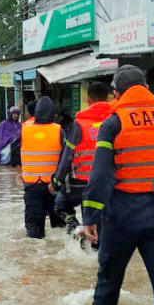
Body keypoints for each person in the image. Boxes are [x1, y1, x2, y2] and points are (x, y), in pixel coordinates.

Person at [83, 65, 154, 305]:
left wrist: (90, 217)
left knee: (108, 281)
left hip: (122, 216)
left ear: (116, 94)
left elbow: (101, 176)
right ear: (148, 89)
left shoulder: (113, 123)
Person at [50, 82, 113, 235]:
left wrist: (56, 182)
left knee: (60, 205)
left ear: (88, 100)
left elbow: (67, 156)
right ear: (108, 98)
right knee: (98, 222)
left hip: (80, 183)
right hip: (107, 184)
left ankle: (76, 229)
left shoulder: (79, 124)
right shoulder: (115, 121)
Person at [10, 97, 67, 238]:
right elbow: (67, 157)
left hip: (31, 186)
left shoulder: (24, 130)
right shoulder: (59, 130)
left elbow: (13, 152)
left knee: (34, 232)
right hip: (54, 186)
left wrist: (19, 173)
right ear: (52, 113)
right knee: (59, 229)